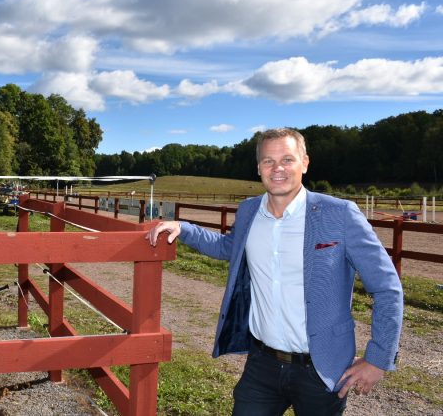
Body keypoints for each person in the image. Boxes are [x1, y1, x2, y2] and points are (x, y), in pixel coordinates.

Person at [146, 128, 403, 415]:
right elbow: (228, 247)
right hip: (262, 364)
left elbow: (387, 287)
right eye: (268, 161)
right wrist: (184, 228)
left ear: (305, 163)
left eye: (287, 159)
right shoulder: (248, 211)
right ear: (259, 168)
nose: (277, 168)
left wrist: (378, 358)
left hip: (322, 370)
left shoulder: (340, 214)